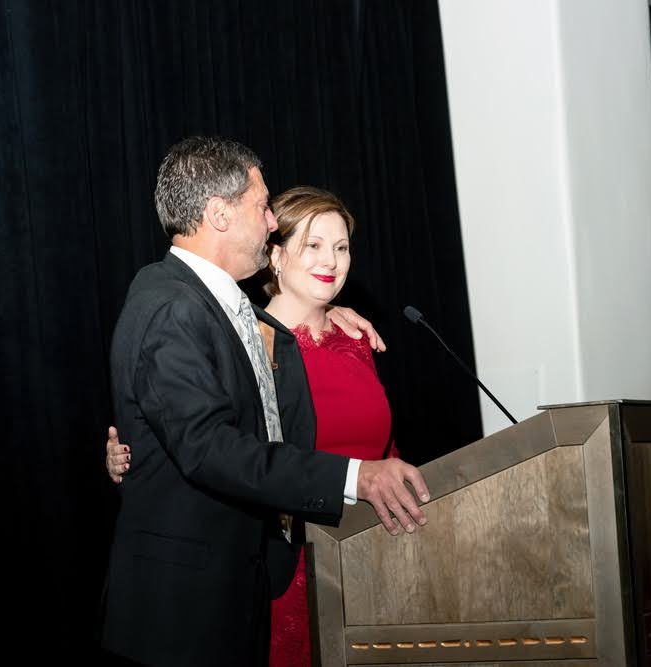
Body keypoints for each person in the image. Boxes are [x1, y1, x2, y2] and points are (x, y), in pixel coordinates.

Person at [101, 136, 429, 667]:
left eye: (341, 247)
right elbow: (209, 447)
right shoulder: (173, 307)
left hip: (250, 583)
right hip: (187, 612)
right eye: (262, 206)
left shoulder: (220, 304)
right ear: (219, 215)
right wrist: (357, 477)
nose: (271, 220)